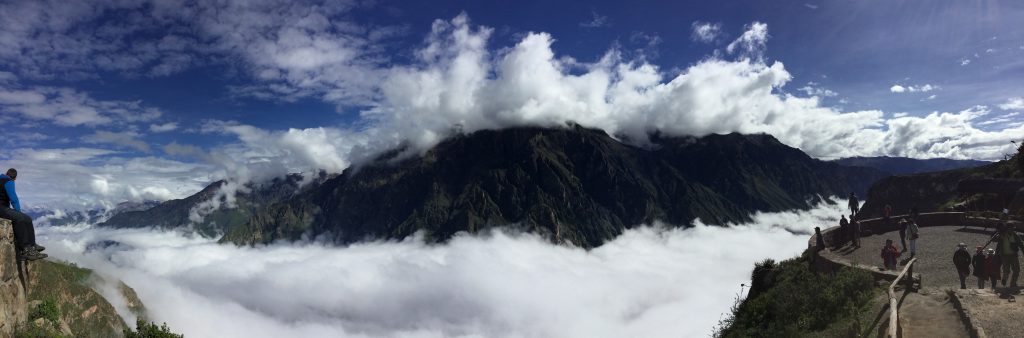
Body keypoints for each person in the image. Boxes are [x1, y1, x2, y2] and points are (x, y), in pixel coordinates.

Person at [0, 168, 45, 261]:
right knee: (20, 218)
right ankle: (25, 250)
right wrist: (18, 212)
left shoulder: (2, 178)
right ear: (15, 178)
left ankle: (32, 246)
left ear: (6, 173)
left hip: (3, 208)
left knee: (28, 218)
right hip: (1, 208)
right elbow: (14, 199)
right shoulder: (9, 181)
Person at [986, 223, 1022, 287]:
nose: (1012, 230)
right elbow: (994, 239)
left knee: (1013, 270)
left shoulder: (1014, 236)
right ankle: (1008, 282)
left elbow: (1021, 245)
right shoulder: (1003, 235)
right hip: (1006, 256)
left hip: (1010, 256)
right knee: (1009, 270)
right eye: (1011, 228)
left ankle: (1010, 282)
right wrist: (998, 231)